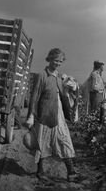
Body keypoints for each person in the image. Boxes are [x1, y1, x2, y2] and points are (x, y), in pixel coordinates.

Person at [25, 48, 77, 182]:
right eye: (55, 60)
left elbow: (65, 95)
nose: (58, 63)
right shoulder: (42, 75)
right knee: (41, 142)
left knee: (64, 140)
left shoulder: (60, 77)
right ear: (49, 59)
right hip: (45, 114)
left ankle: (71, 171)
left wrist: (71, 86)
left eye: (60, 61)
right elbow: (34, 96)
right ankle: (40, 171)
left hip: (58, 114)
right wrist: (31, 115)